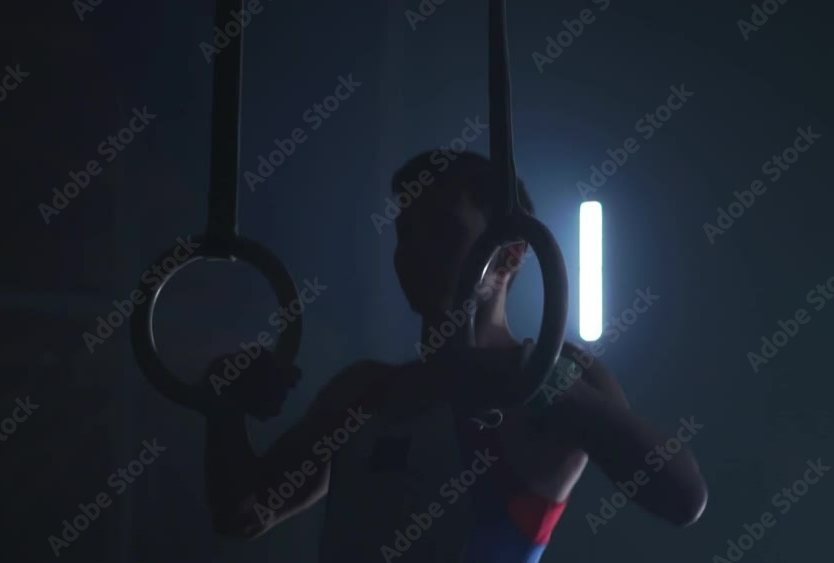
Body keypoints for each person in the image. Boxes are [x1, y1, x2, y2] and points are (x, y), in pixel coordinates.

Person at [201, 150, 707, 562]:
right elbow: (243, 513)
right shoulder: (364, 392)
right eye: (405, 233)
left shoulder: (550, 383)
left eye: (441, 229)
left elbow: (683, 497)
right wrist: (224, 405)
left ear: (510, 254)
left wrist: (541, 380)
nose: (413, 251)